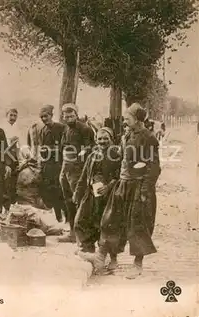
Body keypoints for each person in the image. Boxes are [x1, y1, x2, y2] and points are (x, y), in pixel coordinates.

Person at [81, 103, 161, 279]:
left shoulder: (148, 137)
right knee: (110, 219)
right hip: (123, 184)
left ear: (137, 119)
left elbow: (154, 167)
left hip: (139, 186)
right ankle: (106, 257)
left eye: (127, 118)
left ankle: (137, 264)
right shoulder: (126, 135)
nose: (124, 121)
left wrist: (144, 190)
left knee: (137, 224)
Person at [73, 127, 121, 257]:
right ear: (95, 140)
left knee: (107, 225)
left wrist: (108, 187)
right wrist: (77, 193)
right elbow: (84, 177)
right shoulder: (92, 156)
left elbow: (119, 176)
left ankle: (111, 257)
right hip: (91, 194)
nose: (102, 141)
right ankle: (88, 250)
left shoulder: (116, 156)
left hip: (108, 197)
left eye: (106, 138)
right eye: (100, 139)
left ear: (111, 140)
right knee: (81, 220)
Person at [58, 103, 96, 243]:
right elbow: (63, 146)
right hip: (66, 167)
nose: (69, 119)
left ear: (76, 115)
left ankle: (82, 234)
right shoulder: (66, 129)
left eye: (72, 116)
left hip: (78, 168)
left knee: (78, 199)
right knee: (67, 199)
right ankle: (72, 232)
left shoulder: (85, 129)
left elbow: (92, 145)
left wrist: (84, 151)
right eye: (66, 116)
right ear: (63, 117)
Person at [37, 105, 67, 222]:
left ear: (51, 116)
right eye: (42, 117)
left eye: (46, 116)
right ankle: (58, 217)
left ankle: (68, 218)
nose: (44, 119)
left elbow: (65, 145)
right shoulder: (42, 130)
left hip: (60, 164)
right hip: (48, 166)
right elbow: (42, 148)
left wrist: (52, 150)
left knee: (62, 191)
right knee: (51, 191)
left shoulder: (61, 127)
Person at [1, 108, 21, 210]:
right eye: (11, 115)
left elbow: (18, 145)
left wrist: (19, 158)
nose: (13, 117)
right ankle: (6, 206)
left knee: (14, 181)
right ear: (6, 116)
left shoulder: (16, 127)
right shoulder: (3, 128)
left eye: (15, 116)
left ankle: (13, 205)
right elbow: (3, 146)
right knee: (6, 182)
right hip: (6, 156)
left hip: (14, 157)